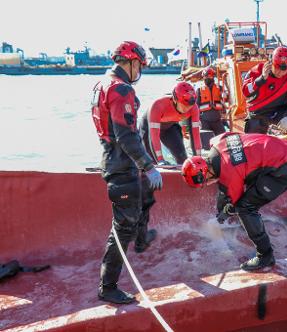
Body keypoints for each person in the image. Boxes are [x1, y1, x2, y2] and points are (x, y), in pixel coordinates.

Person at [91, 41, 163, 304]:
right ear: (131, 63)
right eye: (139, 66)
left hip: (115, 160)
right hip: (121, 166)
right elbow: (126, 136)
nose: (140, 72)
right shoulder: (121, 89)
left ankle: (142, 240)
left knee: (146, 197)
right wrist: (149, 166)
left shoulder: (103, 84)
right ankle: (107, 287)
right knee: (121, 229)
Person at [181, 133, 287, 271]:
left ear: (207, 172)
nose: (208, 183)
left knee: (245, 208)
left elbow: (234, 202)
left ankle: (265, 256)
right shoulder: (217, 141)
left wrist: (225, 213)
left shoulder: (229, 174)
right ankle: (251, 228)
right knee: (249, 178)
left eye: (206, 181)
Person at [242, 46, 287, 152]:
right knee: (252, 148)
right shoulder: (256, 70)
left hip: (277, 111)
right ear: (272, 62)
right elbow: (245, 92)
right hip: (257, 113)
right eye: (277, 68)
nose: (280, 73)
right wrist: (261, 79)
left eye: (284, 69)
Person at [139, 82, 202, 165]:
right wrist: (160, 160)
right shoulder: (158, 105)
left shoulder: (194, 108)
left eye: (189, 106)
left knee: (182, 158)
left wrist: (198, 159)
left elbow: (195, 135)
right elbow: (154, 136)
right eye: (184, 106)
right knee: (152, 162)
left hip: (170, 126)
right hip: (149, 127)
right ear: (175, 100)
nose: (187, 109)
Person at [196, 67, 226, 136]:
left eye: (208, 76)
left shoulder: (220, 88)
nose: (206, 78)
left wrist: (225, 95)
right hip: (205, 121)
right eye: (205, 76)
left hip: (217, 120)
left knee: (223, 138)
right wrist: (198, 120)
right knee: (206, 140)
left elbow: (225, 100)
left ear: (213, 77)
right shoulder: (199, 90)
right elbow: (196, 106)